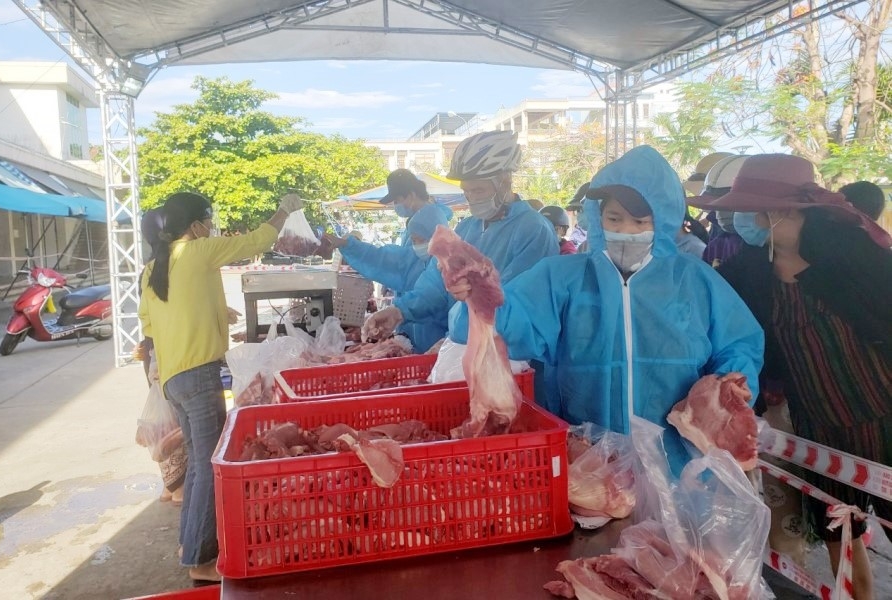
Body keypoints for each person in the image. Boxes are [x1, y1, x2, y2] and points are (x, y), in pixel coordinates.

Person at [445, 146, 764, 475]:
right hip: (590, 460)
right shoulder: (562, 277)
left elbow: (738, 342)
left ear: (664, 220)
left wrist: (733, 383)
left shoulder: (695, 281)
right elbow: (507, 319)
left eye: (640, 221)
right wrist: (475, 296)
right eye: (614, 218)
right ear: (598, 219)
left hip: (681, 461)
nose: (625, 230)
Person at [696, 154, 892, 600]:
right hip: (818, 429)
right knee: (838, 535)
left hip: (883, 419)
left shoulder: (855, 259)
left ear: (782, 211)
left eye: (752, 210)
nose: (745, 219)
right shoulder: (751, 273)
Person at [139, 191, 302, 583]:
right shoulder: (197, 252)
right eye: (208, 220)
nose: (211, 227)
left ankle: (190, 544)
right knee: (211, 466)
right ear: (195, 225)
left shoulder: (153, 269)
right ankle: (200, 561)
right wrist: (284, 209)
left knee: (198, 465)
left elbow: (150, 324)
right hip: (199, 375)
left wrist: (214, 314)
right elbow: (255, 241)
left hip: (176, 378)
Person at [361, 131, 558, 343]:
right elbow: (436, 283)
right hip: (467, 346)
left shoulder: (534, 230)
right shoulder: (467, 228)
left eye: (479, 190)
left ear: (505, 180)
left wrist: (474, 296)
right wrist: (399, 311)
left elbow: (516, 304)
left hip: (513, 355)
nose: (471, 198)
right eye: (467, 191)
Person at [326, 179, 453, 352]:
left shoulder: (447, 261)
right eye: (414, 240)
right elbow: (387, 259)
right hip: (415, 336)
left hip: (435, 339)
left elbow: (428, 293)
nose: (395, 205)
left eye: (397, 200)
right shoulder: (418, 251)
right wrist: (398, 312)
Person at [136, 206, 186, 505]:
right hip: (165, 352)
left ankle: (169, 486)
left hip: (154, 350)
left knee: (166, 420)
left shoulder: (152, 266)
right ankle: (177, 488)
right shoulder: (166, 266)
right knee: (174, 424)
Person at [694, 155, 747, 267]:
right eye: (718, 204)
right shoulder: (717, 242)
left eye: (728, 204)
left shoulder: (768, 244)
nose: (720, 212)